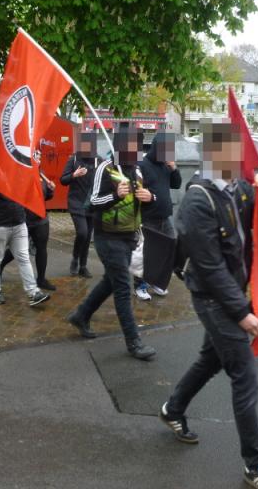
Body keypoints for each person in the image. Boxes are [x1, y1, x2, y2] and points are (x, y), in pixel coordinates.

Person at [158, 119, 258, 489]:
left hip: (231, 293)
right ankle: (255, 465)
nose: (240, 160)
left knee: (209, 359)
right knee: (244, 376)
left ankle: (173, 409)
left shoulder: (234, 188)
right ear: (213, 155)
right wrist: (242, 313)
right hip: (215, 299)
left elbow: (256, 211)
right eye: (232, 153)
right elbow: (210, 267)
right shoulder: (199, 199)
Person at [66, 127, 157, 361]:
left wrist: (150, 198)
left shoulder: (136, 171)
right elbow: (92, 203)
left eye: (138, 145)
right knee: (123, 288)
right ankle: (133, 342)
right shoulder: (104, 169)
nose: (136, 150)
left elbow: (142, 201)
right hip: (107, 238)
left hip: (128, 237)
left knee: (111, 281)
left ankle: (81, 315)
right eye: (132, 146)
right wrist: (115, 194)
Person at [0, 181, 50, 307]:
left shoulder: (18, 170)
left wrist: (44, 188)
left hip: (19, 222)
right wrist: (0, 184)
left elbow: (31, 194)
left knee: (24, 258)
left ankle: (33, 292)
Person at [133, 132, 182, 301]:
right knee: (147, 254)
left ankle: (157, 282)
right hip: (148, 217)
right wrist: (146, 195)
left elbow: (177, 184)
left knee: (168, 250)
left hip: (164, 217)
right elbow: (136, 189)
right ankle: (140, 285)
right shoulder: (142, 165)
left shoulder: (165, 166)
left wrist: (174, 167)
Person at [0, 175, 57, 292]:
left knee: (42, 248)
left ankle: (41, 279)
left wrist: (50, 190)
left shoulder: (41, 174)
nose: (39, 157)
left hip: (40, 218)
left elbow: (44, 196)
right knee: (18, 249)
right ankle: (0, 266)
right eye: (38, 155)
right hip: (24, 218)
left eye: (40, 156)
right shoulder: (22, 171)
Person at [60, 132, 98, 277]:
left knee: (88, 236)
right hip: (76, 203)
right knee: (82, 232)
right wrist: (74, 175)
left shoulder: (97, 160)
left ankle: (83, 266)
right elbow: (62, 180)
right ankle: (75, 258)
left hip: (92, 205)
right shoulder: (74, 159)